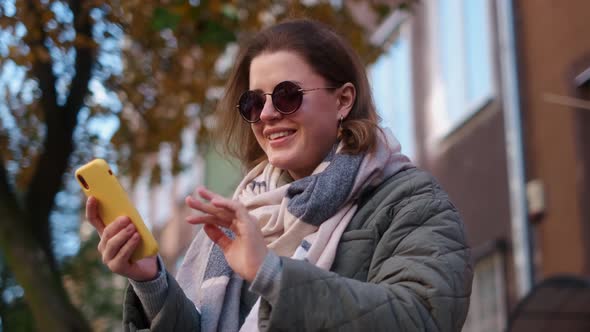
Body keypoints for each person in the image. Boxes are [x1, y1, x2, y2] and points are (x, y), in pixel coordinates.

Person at [86, 18, 473, 331]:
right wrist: (151, 282)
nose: (268, 115)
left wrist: (269, 273)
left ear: (343, 100)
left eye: (288, 95)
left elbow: (423, 318)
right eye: (254, 102)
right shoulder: (242, 214)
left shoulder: (410, 200)